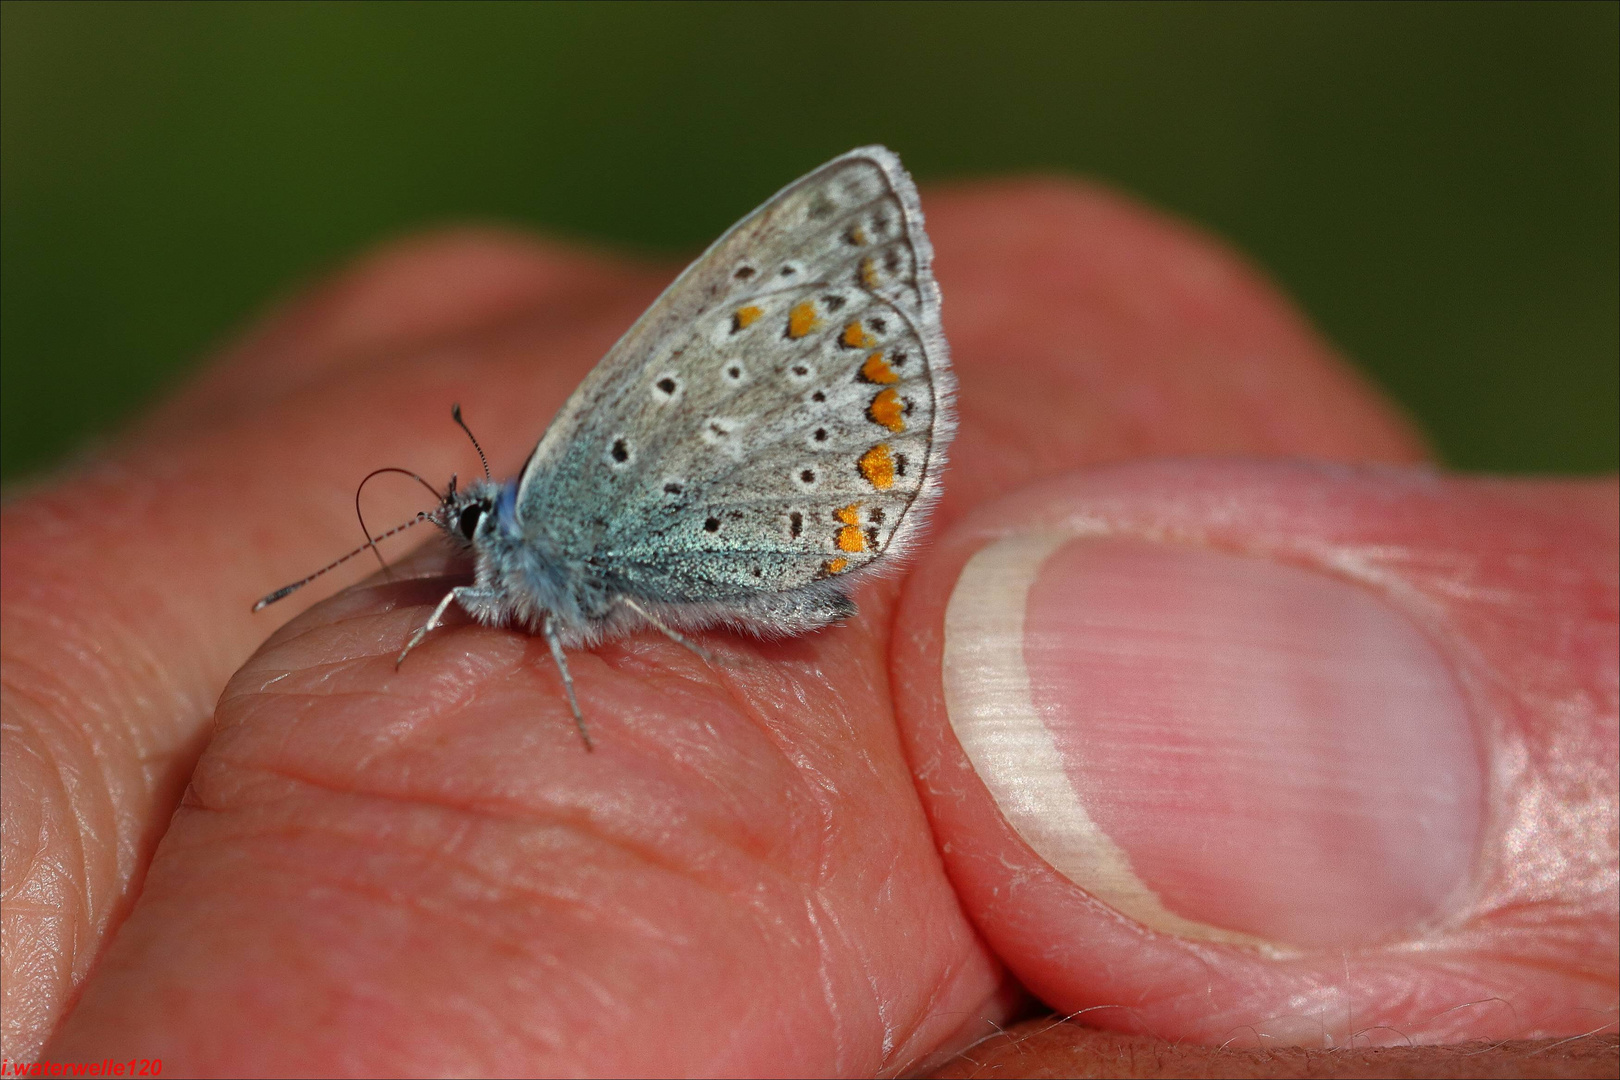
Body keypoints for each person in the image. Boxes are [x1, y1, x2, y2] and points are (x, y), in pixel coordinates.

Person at [4, 178, 1614, 1076]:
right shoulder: (499, 565)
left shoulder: (548, 535)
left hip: (768, 541)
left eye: (466, 536)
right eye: (465, 541)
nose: (456, 553)